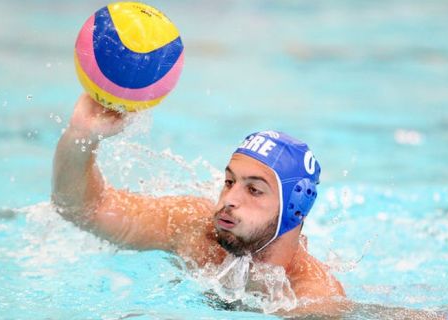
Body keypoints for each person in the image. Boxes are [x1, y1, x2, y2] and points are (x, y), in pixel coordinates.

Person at [51, 93, 348, 316]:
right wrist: (81, 135)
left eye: (254, 190)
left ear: (294, 208)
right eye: (230, 182)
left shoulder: (311, 299)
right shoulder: (194, 228)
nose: (230, 199)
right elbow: (83, 209)